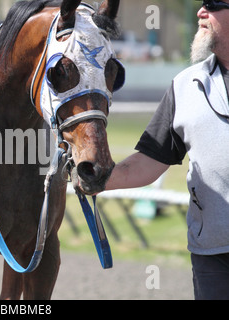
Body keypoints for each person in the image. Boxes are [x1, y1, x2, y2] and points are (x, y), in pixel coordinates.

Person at [104, 0, 229, 300]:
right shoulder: (185, 85)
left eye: (212, 4)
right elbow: (150, 160)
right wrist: (99, 179)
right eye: (201, 4)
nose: (201, 11)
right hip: (212, 255)